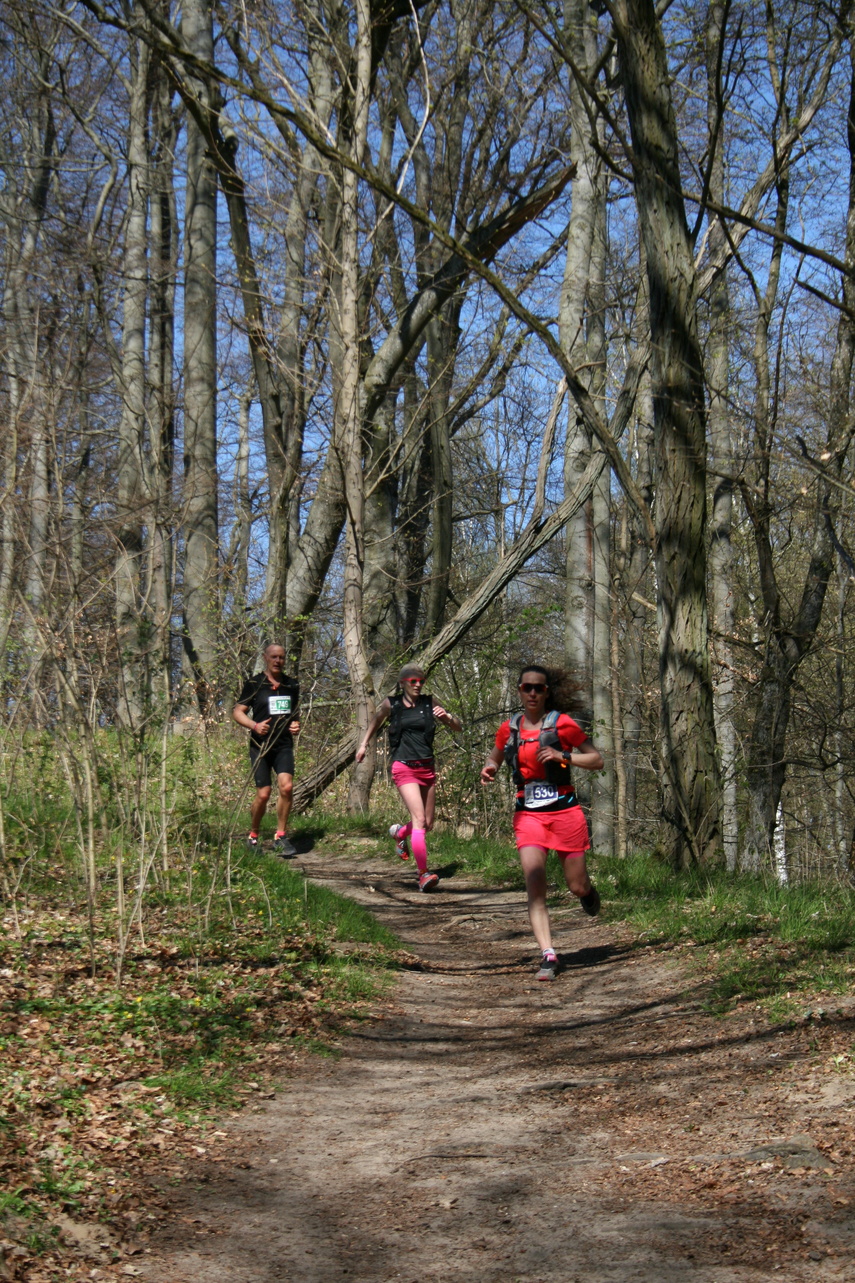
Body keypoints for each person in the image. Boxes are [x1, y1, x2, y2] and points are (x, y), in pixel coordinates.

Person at [481, 664, 603, 981]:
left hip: (565, 813)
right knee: (535, 884)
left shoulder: (562, 724)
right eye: (527, 688)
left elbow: (596, 759)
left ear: (547, 692)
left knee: (575, 885)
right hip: (528, 815)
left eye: (539, 688)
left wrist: (564, 757)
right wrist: (490, 768)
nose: (532, 693)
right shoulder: (509, 729)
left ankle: (588, 893)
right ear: (519, 691)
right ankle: (548, 953)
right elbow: (494, 756)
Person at [355, 664, 461, 892]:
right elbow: (375, 721)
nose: (418, 685)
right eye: (413, 681)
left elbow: (457, 727)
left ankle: (400, 833)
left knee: (427, 824)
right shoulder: (391, 704)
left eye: (421, 681)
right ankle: (423, 874)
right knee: (419, 819)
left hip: (427, 767)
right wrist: (363, 744)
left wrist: (449, 717)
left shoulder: (429, 703)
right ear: (403, 683)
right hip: (404, 766)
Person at [233, 643, 300, 856]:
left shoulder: (292, 685)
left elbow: (294, 715)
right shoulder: (255, 683)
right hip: (259, 745)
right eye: (274, 657)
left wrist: (295, 725)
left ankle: (281, 836)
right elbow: (238, 712)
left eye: (281, 657)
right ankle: (253, 836)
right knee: (263, 793)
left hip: (283, 744)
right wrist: (254, 725)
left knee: (286, 787)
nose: (278, 661)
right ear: (266, 658)